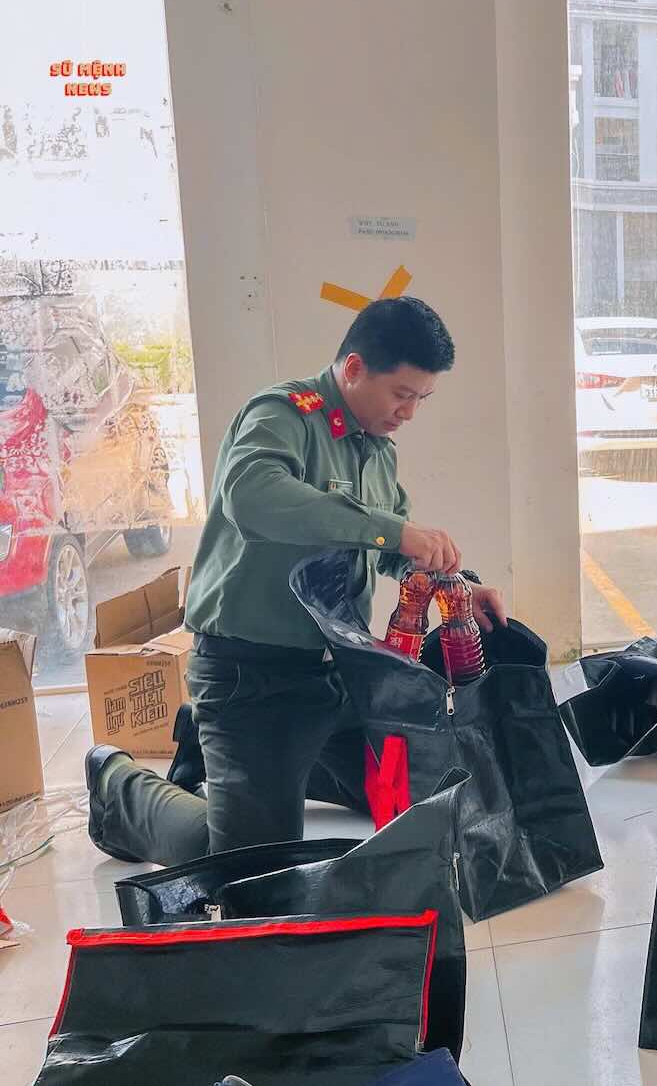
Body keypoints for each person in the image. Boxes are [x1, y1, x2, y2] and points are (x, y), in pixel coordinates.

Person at [84, 296, 507, 867]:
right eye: (401, 394)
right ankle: (119, 788)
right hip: (255, 675)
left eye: (421, 399)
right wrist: (393, 531)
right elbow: (252, 499)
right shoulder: (283, 415)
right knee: (254, 867)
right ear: (354, 368)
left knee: (425, 792)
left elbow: (392, 553)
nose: (409, 412)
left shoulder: (375, 448)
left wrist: (456, 583)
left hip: (340, 673)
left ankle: (253, 768)